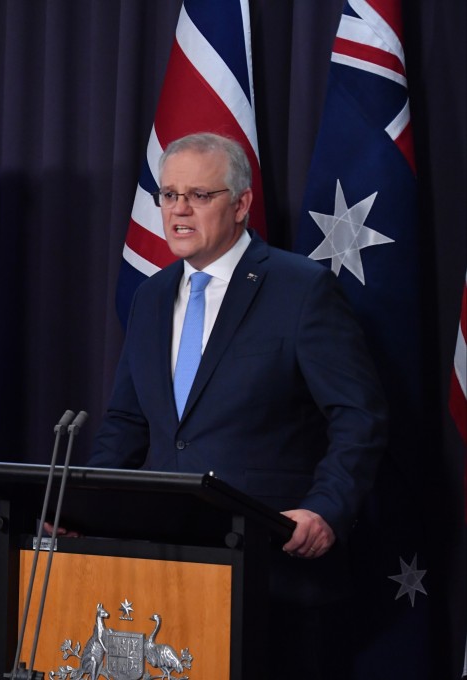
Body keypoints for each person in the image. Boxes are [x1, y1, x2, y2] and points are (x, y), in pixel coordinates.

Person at [88, 132, 387, 679]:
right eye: (169, 195)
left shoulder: (301, 288)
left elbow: (358, 416)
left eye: (199, 196)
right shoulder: (151, 296)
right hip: (165, 568)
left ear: (241, 204)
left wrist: (326, 509)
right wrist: (82, 503)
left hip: (273, 574)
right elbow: (129, 422)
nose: (179, 210)